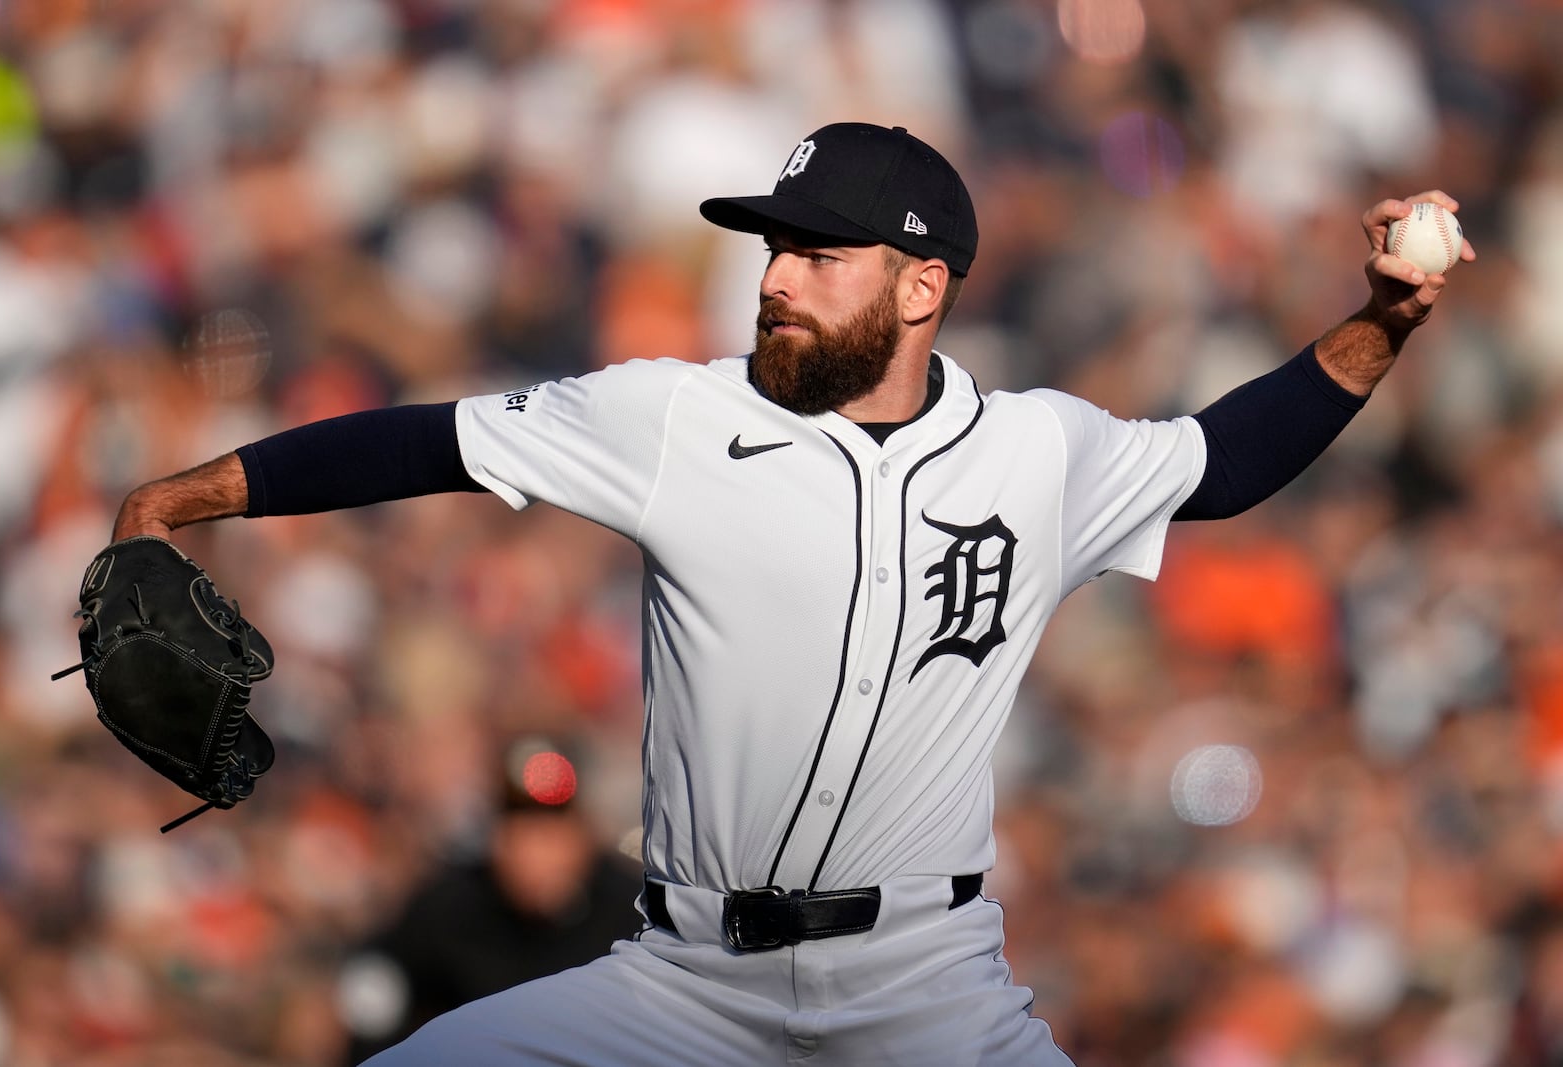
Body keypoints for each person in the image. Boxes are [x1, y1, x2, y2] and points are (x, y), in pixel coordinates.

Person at [107, 123, 1472, 1065]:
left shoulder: (1040, 449)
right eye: (776, 247)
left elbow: (1226, 461)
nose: (775, 277)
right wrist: (182, 498)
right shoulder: (667, 417)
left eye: (821, 254)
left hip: (930, 984)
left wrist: (1388, 321)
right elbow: (424, 441)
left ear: (921, 283)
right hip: (681, 980)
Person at [337, 735, 643, 1063]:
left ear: (582, 832)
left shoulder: (629, 912)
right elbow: (374, 983)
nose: (534, 852)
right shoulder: (451, 908)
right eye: (519, 828)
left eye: (550, 830)